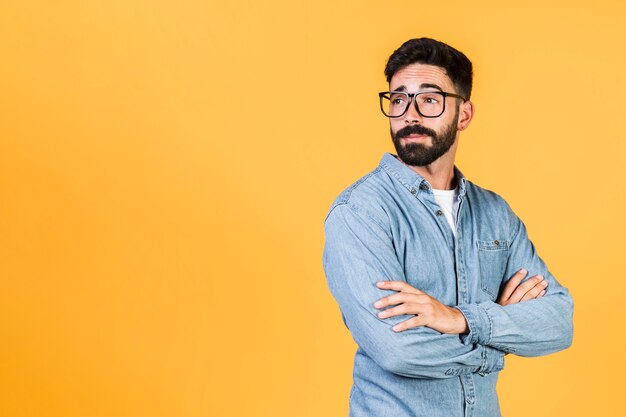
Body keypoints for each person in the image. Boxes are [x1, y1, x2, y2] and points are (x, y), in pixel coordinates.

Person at [321, 38, 574, 417]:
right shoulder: (360, 212)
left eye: (430, 99)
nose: (409, 114)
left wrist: (459, 319)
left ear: (464, 114)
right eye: (398, 99)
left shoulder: (494, 213)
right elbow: (399, 350)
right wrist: (498, 339)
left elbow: (558, 323)